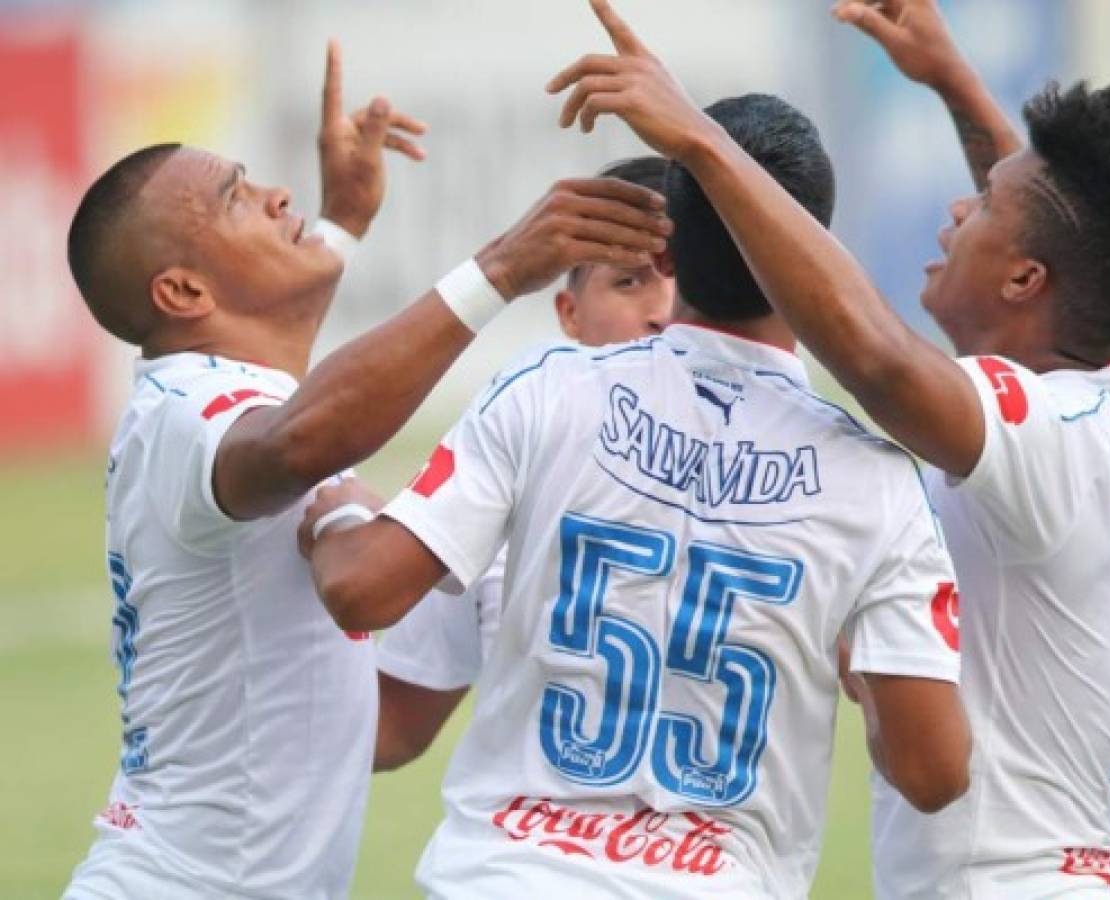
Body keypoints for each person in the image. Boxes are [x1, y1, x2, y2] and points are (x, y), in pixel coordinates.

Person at [299, 28, 971, 900]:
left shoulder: (543, 393)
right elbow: (932, 773)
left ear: (670, 246)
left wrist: (336, 512)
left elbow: (362, 593)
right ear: (811, 253)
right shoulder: (876, 479)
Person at [550, 0, 1110, 895]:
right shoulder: (1106, 377)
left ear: (1022, 279)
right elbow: (1052, 234)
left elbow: (876, 360)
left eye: (982, 209)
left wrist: (706, 148)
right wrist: (950, 78)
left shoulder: (1036, 436)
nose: (959, 205)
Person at [61, 36, 671, 900]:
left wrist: (340, 224)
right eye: (238, 198)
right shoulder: (187, 418)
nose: (277, 194)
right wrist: (498, 271)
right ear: (183, 294)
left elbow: (285, 381)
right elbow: (299, 441)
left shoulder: (212, 386)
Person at [374, 155, 676, 771]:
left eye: (687, 284)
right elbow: (393, 729)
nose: (662, 311)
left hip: (703, 860)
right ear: (569, 315)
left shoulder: (796, 470)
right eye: (629, 281)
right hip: (522, 859)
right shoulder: (507, 456)